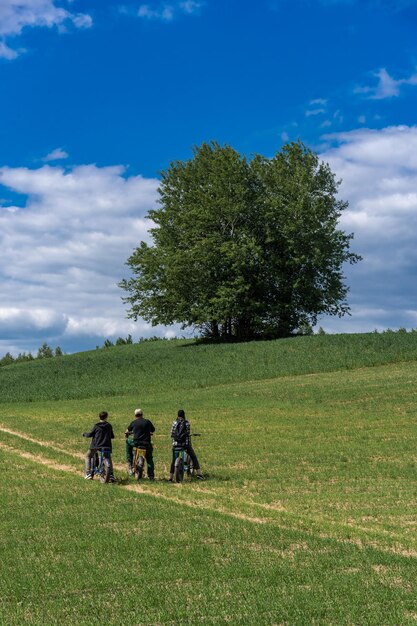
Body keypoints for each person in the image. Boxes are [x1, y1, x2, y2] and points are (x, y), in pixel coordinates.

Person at [168, 409, 204, 481]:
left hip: (175, 445)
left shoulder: (174, 423)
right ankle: (199, 474)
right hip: (185, 445)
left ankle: (170, 478)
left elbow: (172, 434)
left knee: (173, 460)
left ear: (177, 415)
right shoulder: (186, 423)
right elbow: (187, 433)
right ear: (184, 415)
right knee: (193, 456)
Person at [83, 411, 115, 481]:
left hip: (96, 445)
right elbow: (112, 436)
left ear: (99, 417)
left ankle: (88, 473)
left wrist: (84, 434)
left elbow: (90, 434)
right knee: (108, 457)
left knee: (88, 456)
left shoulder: (96, 426)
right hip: (107, 445)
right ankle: (111, 474)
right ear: (106, 417)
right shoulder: (109, 426)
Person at [125, 408, 155, 480]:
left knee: (127, 442)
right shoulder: (147, 422)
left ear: (135, 415)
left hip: (136, 442)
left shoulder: (133, 422)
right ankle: (151, 475)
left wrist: (127, 434)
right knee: (149, 458)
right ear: (142, 414)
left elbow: (127, 430)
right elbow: (153, 430)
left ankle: (129, 460)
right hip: (146, 443)